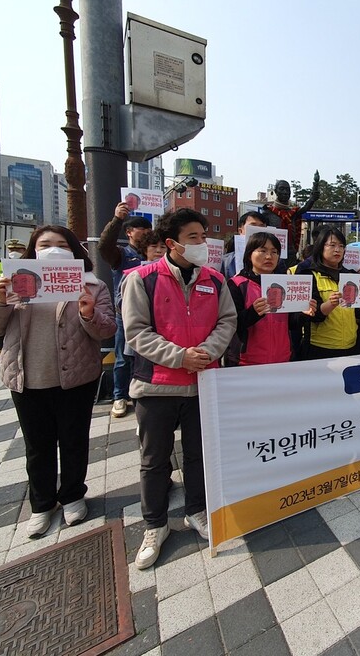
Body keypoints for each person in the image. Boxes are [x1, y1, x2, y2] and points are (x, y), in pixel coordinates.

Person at [0, 225, 116, 538]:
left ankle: (73, 495)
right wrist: (0, 300)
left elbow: (106, 331)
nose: (52, 249)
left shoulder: (92, 285)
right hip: (27, 378)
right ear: (33, 250)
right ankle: (41, 504)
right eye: (45, 244)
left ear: (74, 251)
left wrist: (89, 313)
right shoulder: (16, 282)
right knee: (37, 445)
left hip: (76, 377)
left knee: (74, 439)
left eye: (61, 244)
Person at [122, 208, 237, 569]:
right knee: (154, 461)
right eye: (193, 238)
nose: (202, 243)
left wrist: (206, 353)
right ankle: (155, 525)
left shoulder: (215, 281)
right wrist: (179, 357)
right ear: (171, 243)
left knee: (198, 455)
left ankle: (196, 511)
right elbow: (136, 332)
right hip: (156, 387)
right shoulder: (142, 279)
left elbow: (227, 320)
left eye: (203, 236)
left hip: (202, 383)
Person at [228, 232, 316, 365]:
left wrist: (304, 314)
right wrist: (253, 313)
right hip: (245, 363)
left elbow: (292, 324)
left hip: (282, 360)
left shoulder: (286, 284)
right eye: (262, 251)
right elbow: (230, 324)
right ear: (249, 254)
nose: (269, 256)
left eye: (274, 252)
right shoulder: (236, 284)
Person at [99, 204, 152, 419]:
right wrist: (117, 220)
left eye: (149, 231)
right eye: (141, 230)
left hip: (153, 314)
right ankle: (119, 396)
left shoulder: (155, 254)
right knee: (122, 357)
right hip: (126, 316)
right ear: (129, 232)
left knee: (146, 357)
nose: (146, 234)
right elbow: (104, 246)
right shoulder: (121, 255)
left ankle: (140, 394)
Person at [297, 226, 360, 358]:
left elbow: (357, 314)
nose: (337, 250)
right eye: (332, 245)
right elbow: (310, 315)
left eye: (341, 246)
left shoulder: (351, 275)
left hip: (351, 345)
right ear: (320, 247)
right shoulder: (308, 275)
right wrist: (330, 304)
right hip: (320, 347)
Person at [261, 173, 320, 260]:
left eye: (287, 190)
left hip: (291, 253)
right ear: (276, 191)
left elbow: (306, 207)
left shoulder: (293, 213)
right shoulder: (268, 213)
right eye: (282, 189)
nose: (285, 192)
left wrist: (313, 196)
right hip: (273, 254)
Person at [222, 211, 267, 278]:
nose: (258, 230)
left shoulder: (275, 259)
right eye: (253, 226)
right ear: (240, 231)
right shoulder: (226, 261)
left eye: (262, 226)